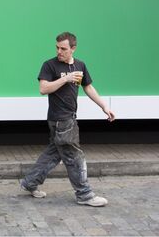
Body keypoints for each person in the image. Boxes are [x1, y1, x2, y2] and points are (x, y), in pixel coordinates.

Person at [20, 32, 115, 207]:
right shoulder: (50, 65)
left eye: (63, 48)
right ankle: (84, 194)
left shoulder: (80, 65)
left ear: (73, 48)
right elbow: (43, 88)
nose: (59, 51)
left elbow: (88, 87)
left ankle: (30, 182)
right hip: (60, 120)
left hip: (69, 118)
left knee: (53, 155)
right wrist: (65, 79)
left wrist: (104, 106)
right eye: (57, 47)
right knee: (74, 157)